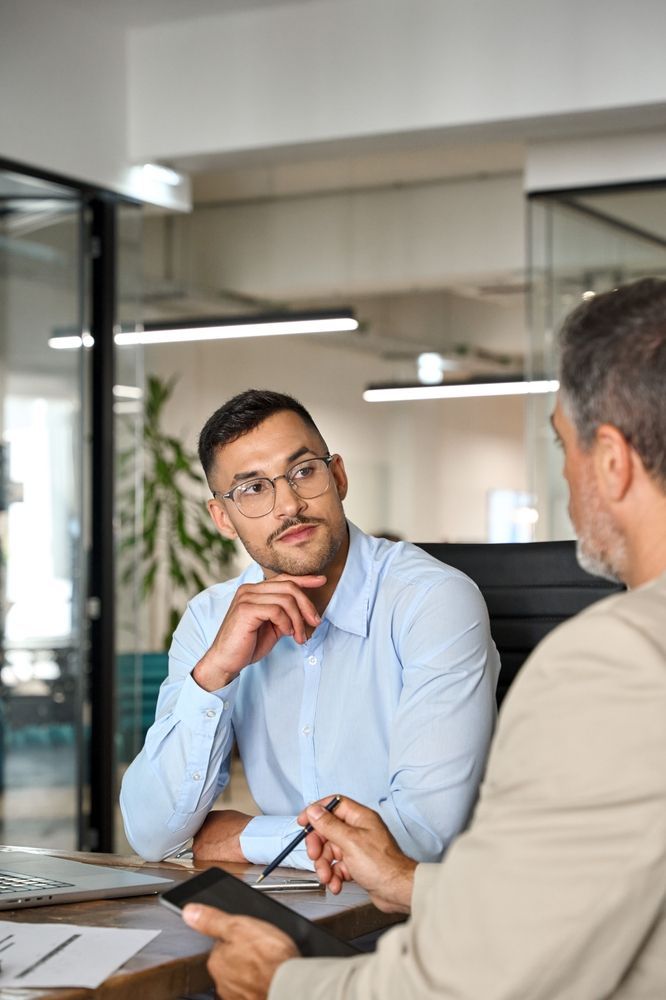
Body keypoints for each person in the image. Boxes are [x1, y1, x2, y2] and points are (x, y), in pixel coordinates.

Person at [181, 277, 666, 1000]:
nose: (565, 479)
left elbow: (484, 978)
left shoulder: (620, 661)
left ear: (613, 460)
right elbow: (575, 903)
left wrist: (283, 984)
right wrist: (411, 884)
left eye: (563, 447)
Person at [120, 389, 499, 867]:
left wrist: (242, 839)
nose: (288, 505)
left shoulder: (430, 600)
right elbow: (151, 834)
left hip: (416, 918)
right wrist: (215, 673)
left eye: (303, 472)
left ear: (337, 476)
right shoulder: (210, 618)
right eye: (253, 489)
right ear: (223, 518)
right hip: (284, 907)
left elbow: (421, 835)